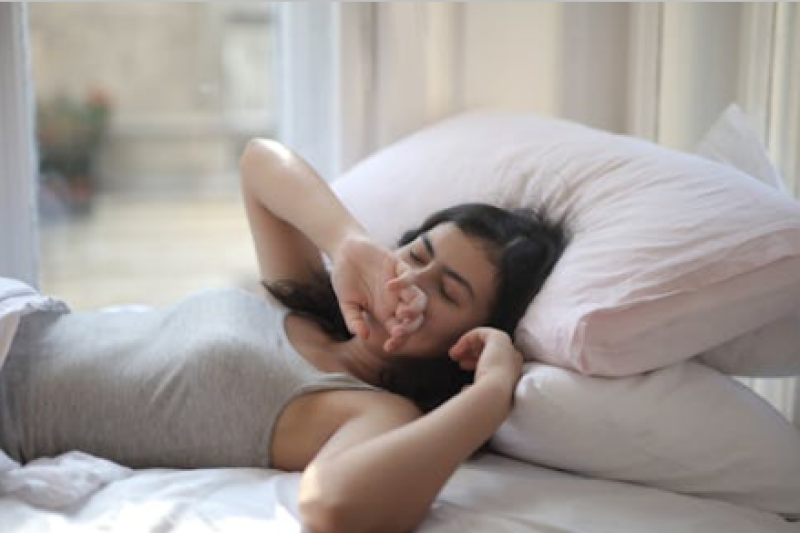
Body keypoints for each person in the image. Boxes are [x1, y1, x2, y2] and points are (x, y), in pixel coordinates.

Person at [0, 139, 568, 533]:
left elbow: (333, 507)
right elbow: (259, 163)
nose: (410, 282)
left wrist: (489, 394)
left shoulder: (376, 412)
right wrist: (347, 242)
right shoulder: (309, 303)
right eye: (417, 254)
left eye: (447, 292)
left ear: (466, 342)